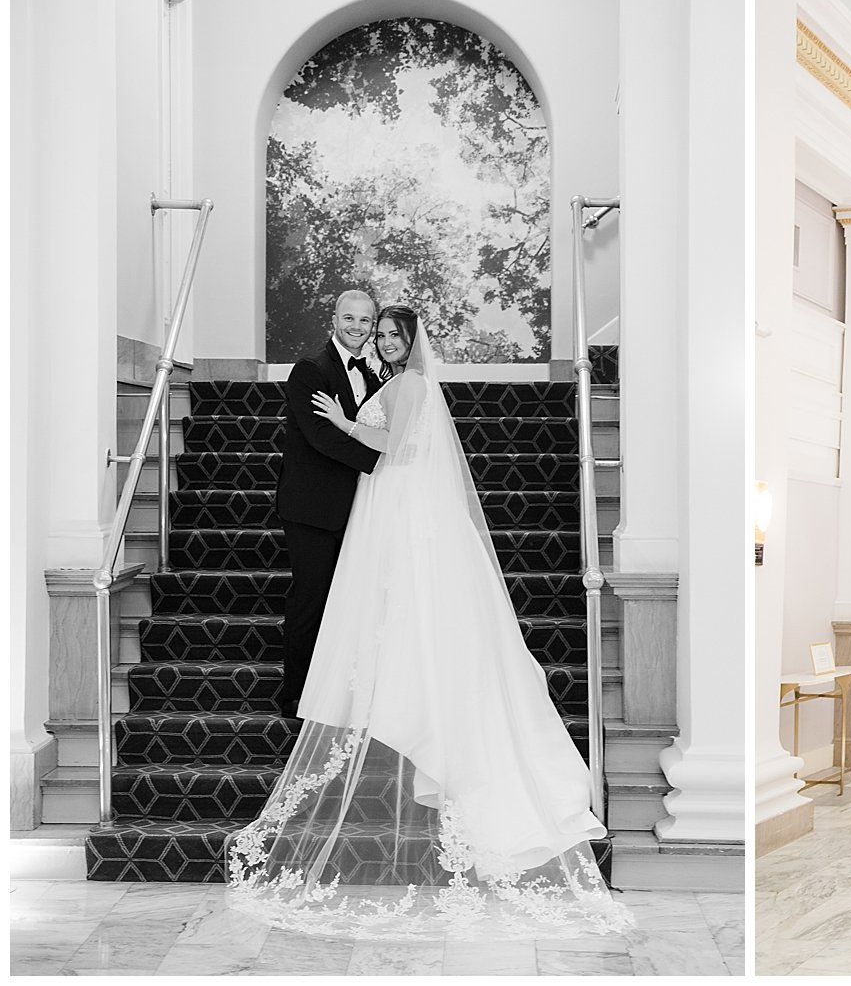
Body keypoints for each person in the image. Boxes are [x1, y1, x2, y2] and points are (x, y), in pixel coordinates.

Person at [227, 307, 630, 938]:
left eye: (392, 334)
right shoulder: (385, 380)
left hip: (405, 509)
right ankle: (403, 703)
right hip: (389, 506)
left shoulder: (409, 384)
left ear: (411, 342)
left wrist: (341, 422)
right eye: (377, 332)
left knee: (412, 612)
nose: (383, 340)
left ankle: (424, 720)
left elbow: (400, 445)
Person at [275, 290, 383, 719]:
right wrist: (383, 462)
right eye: (349, 318)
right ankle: (296, 699)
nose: (356, 327)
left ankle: (336, 694)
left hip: (356, 508)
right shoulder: (310, 370)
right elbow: (322, 437)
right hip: (313, 509)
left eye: (365, 320)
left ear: (373, 325)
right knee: (310, 602)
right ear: (333, 319)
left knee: (348, 604)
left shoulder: (373, 374)